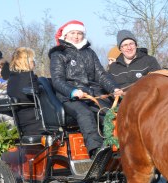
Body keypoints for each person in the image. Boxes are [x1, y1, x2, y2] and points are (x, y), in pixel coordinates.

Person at [49, 20, 123, 157]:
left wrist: (114, 89)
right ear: (65, 35)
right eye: (73, 33)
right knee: (85, 114)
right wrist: (73, 91)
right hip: (69, 97)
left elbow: (101, 75)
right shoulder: (58, 54)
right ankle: (97, 151)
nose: (76, 36)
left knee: (110, 112)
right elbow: (57, 80)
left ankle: (120, 145)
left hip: (92, 94)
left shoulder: (90, 53)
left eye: (79, 33)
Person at [6, 47, 43, 136]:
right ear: (26, 62)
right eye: (32, 60)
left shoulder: (12, 78)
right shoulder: (29, 77)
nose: (34, 62)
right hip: (35, 123)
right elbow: (39, 95)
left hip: (20, 121)